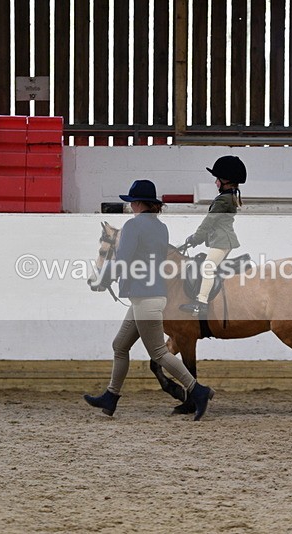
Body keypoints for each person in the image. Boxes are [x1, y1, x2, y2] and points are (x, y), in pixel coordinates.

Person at [84, 179, 215, 421]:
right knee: (120, 346)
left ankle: (198, 390)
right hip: (152, 295)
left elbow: (123, 260)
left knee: (159, 353)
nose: (130, 206)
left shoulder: (133, 226)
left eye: (132, 202)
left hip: (144, 298)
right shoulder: (161, 227)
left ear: (137, 203)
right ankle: (111, 396)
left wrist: (103, 278)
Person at [179, 155, 246, 316]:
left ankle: (201, 303)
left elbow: (209, 222)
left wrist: (196, 237)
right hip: (222, 239)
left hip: (222, 241)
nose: (216, 182)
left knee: (207, 267)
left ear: (226, 180)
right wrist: (197, 239)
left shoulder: (223, 200)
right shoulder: (228, 197)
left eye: (217, 179)